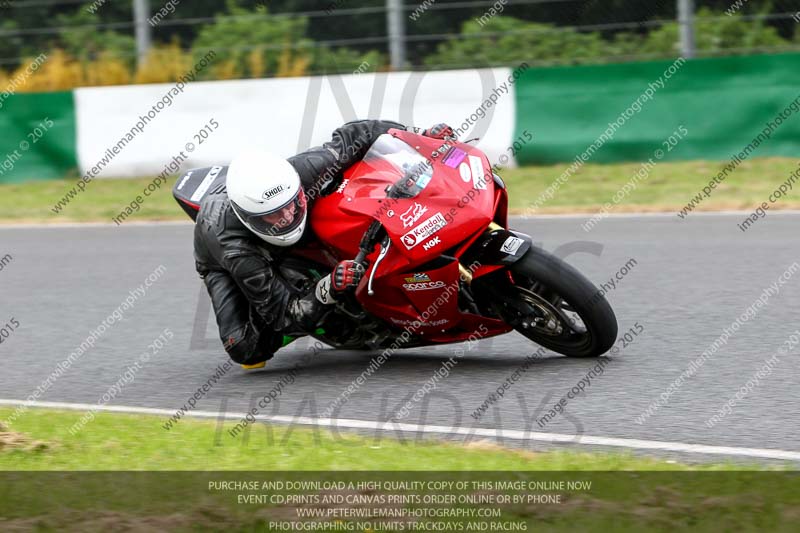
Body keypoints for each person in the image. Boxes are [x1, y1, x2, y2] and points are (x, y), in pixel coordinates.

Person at [193, 119, 455, 369]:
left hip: (282, 222)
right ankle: (324, 319)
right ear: (249, 218)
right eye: (274, 215)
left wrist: (420, 133)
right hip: (223, 258)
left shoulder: (302, 172)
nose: (287, 218)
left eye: (292, 204)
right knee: (245, 349)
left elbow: (358, 133)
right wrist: (329, 286)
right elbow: (284, 314)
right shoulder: (237, 250)